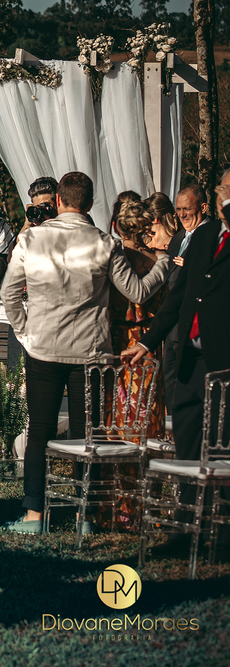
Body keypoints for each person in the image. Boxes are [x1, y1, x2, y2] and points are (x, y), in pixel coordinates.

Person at [1, 171, 170, 534]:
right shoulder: (104, 242)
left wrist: (24, 332)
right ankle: (86, 516)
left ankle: (34, 516)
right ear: (89, 204)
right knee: (86, 435)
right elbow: (138, 292)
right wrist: (165, 264)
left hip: (43, 347)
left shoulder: (31, 238)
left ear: (59, 201)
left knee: (40, 432)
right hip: (90, 353)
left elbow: (9, 294)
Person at [125, 167, 230, 555]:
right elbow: (179, 299)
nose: (226, 197)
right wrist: (148, 342)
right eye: (225, 190)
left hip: (223, 361)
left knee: (221, 447)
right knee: (187, 443)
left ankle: (221, 533)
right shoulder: (202, 237)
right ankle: (184, 529)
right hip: (188, 357)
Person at [99, 195, 170, 531]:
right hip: (148, 349)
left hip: (117, 348)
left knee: (117, 427)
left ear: (115, 224)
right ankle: (147, 507)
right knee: (147, 427)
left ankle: (117, 508)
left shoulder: (112, 259)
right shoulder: (161, 260)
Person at [163, 185, 210, 405]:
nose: (182, 214)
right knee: (170, 385)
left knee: (193, 392)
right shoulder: (178, 237)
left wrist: (194, 267)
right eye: (178, 209)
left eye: (187, 209)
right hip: (173, 326)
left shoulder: (215, 235)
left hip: (197, 327)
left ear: (203, 207)